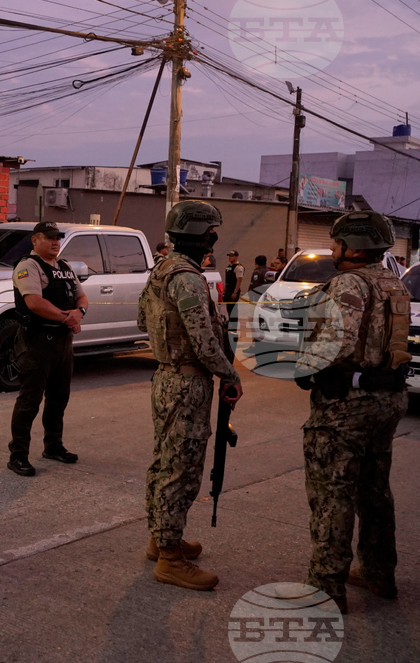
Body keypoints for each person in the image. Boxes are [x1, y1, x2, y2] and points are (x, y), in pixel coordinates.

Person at [294, 211, 411, 614]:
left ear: (354, 247)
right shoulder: (391, 281)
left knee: (332, 495)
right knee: (374, 490)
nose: (331, 248)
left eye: (336, 241)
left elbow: (336, 343)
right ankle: (379, 573)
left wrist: (304, 367)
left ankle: (327, 588)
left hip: (348, 405)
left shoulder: (348, 283)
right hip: (387, 399)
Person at [137, 200, 243, 591]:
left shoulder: (162, 270)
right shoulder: (187, 278)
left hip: (167, 377)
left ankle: (162, 537)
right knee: (181, 468)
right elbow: (203, 341)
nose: (215, 237)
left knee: (165, 461)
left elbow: (141, 320)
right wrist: (231, 376)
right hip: (187, 383)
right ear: (199, 234)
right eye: (211, 231)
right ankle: (169, 558)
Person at [7, 222, 89, 477]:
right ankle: (18, 455)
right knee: (29, 401)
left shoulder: (64, 267)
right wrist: (68, 318)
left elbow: (81, 297)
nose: (55, 242)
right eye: (50, 237)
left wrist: (79, 312)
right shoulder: (27, 266)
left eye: (58, 238)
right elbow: (34, 302)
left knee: (58, 398)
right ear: (35, 240)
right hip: (37, 342)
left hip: (63, 343)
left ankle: (53, 446)